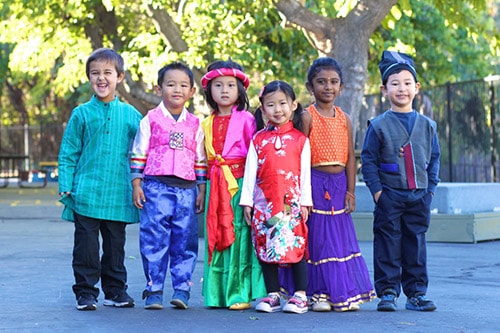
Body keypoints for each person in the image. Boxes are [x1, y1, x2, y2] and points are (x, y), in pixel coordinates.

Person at [58, 48, 142, 311]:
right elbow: (68, 152)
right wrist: (66, 186)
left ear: (120, 77)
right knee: (86, 248)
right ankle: (85, 292)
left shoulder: (131, 115)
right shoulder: (81, 114)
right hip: (86, 192)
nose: (101, 78)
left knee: (116, 246)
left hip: (118, 193)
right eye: (95, 73)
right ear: (89, 78)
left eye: (108, 73)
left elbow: (143, 151)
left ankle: (115, 291)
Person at [361, 50, 440, 312]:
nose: (401, 88)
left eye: (407, 83)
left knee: (415, 244)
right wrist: (378, 193)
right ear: (384, 89)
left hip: (419, 195)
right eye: (394, 83)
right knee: (387, 243)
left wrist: (430, 191)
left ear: (416, 88)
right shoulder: (379, 124)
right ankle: (387, 292)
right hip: (390, 196)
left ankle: (416, 293)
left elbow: (435, 158)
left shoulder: (428, 125)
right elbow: (369, 160)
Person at [130, 62, 207, 310]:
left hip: (186, 190)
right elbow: (139, 152)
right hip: (155, 187)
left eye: (183, 85)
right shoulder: (150, 120)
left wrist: (201, 189)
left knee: (184, 241)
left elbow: (200, 158)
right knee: (154, 238)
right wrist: (137, 184)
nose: (177, 89)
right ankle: (153, 289)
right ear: (158, 88)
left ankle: (182, 289)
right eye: (171, 84)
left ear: (192, 91)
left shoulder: (195, 124)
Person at [301, 57, 376, 312]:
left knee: (339, 239)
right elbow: (298, 154)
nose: (328, 87)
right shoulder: (306, 116)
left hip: (339, 183)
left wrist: (351, 191)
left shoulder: (345, 118)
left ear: (341, 87)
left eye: (333, 82)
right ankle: (318, 294)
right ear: (310, 87)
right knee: (319, 238)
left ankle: (341, 293)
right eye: (321, 82)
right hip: (314, 182)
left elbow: (350, 158)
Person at [240, 80, 312, 314]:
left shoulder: (301, 140)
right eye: (271, 105)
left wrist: (305, 201)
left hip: (291, 203)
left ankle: (300, 295)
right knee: (265, 245)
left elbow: (305, 174)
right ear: (263, 110)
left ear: (293, 105)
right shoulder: (258, 139)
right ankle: (273, 294)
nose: (277, 109)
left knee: (296, 244)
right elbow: (250, 172)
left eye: (282, 103)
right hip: (263, 203)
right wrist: (248, 202)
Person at [200, 60, 267, 310]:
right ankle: (215, 294)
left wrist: (252, 194)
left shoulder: (248, 120)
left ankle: (238, 293)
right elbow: (202, 160)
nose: (224, 90)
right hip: (215, 185)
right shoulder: (205, 123)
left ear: (240, 90)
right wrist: (202, 190)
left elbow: (255, 157)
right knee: (214, 233)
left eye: (230, 85)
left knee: (238, 234)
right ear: (209, 91)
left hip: (238, 184)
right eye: (218, 85)